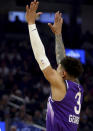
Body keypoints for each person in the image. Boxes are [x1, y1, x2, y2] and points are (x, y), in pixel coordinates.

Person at [25, 1, 84, 130]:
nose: (55, 68)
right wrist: (58, 35)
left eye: (57, 68)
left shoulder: (60, 84)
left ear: (63, 74)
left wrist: (31, 24)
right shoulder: (77, 87)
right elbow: (62, 60)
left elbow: (41, 57)